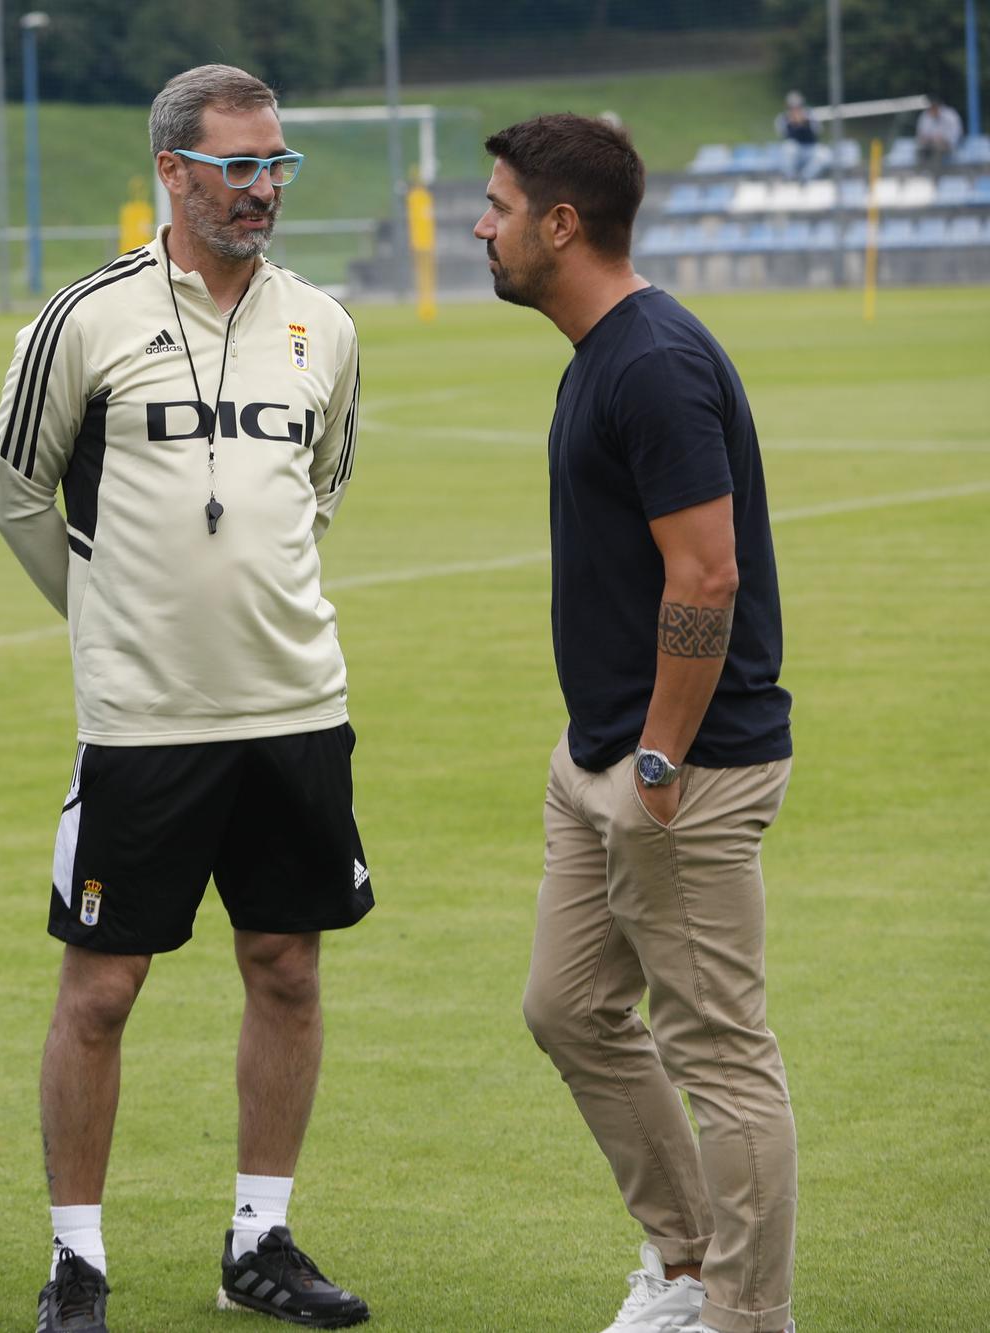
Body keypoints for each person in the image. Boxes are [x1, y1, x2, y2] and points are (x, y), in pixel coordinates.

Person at [0, 64, 371, 1333]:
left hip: (295, 708)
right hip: (144, 725)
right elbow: (20, 496)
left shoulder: (324, 325)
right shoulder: (82, 319)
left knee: (287, 969)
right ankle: (77, 1259)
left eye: (276, 166)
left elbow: (318, 488)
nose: (261, 187)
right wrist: (109, 628)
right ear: (172, 170)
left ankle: (257, 1239)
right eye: (238, 165)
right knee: (99, 991)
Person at [472, 114, 798, 1333]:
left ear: (560, 224)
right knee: (566, 1007)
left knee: (719, 1052)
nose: (478, 223)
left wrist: (658, 756)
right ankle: (681, 1264)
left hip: (683, 767)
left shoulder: (651, 359)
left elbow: (703, 575)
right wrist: (604, 756)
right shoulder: (596, 352)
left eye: (496, 203)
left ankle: (741, 1315)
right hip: (600, 757)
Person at [774, 92, 826, 181]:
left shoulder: (811, 116)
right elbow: (784, 136)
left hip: (810, 147)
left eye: (798, 106)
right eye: (792, 107)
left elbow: (817, 133)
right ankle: (791, 177)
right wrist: (793, 125)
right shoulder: (783, 118)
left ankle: (804, 177)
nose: (795, 109)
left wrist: (805, 123)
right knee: (788, 148)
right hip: (795, 149)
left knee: (823, 154)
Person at [915, 95, 964, 167]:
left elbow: (957, 135)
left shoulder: (951, 115)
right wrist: (927, 139)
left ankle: (935, 175)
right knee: (920, 150)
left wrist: (944, 139)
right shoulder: (925, 116)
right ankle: (921, 174)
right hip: (929, 146)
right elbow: (921, 135)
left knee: (937, 150)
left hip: (947, 147)